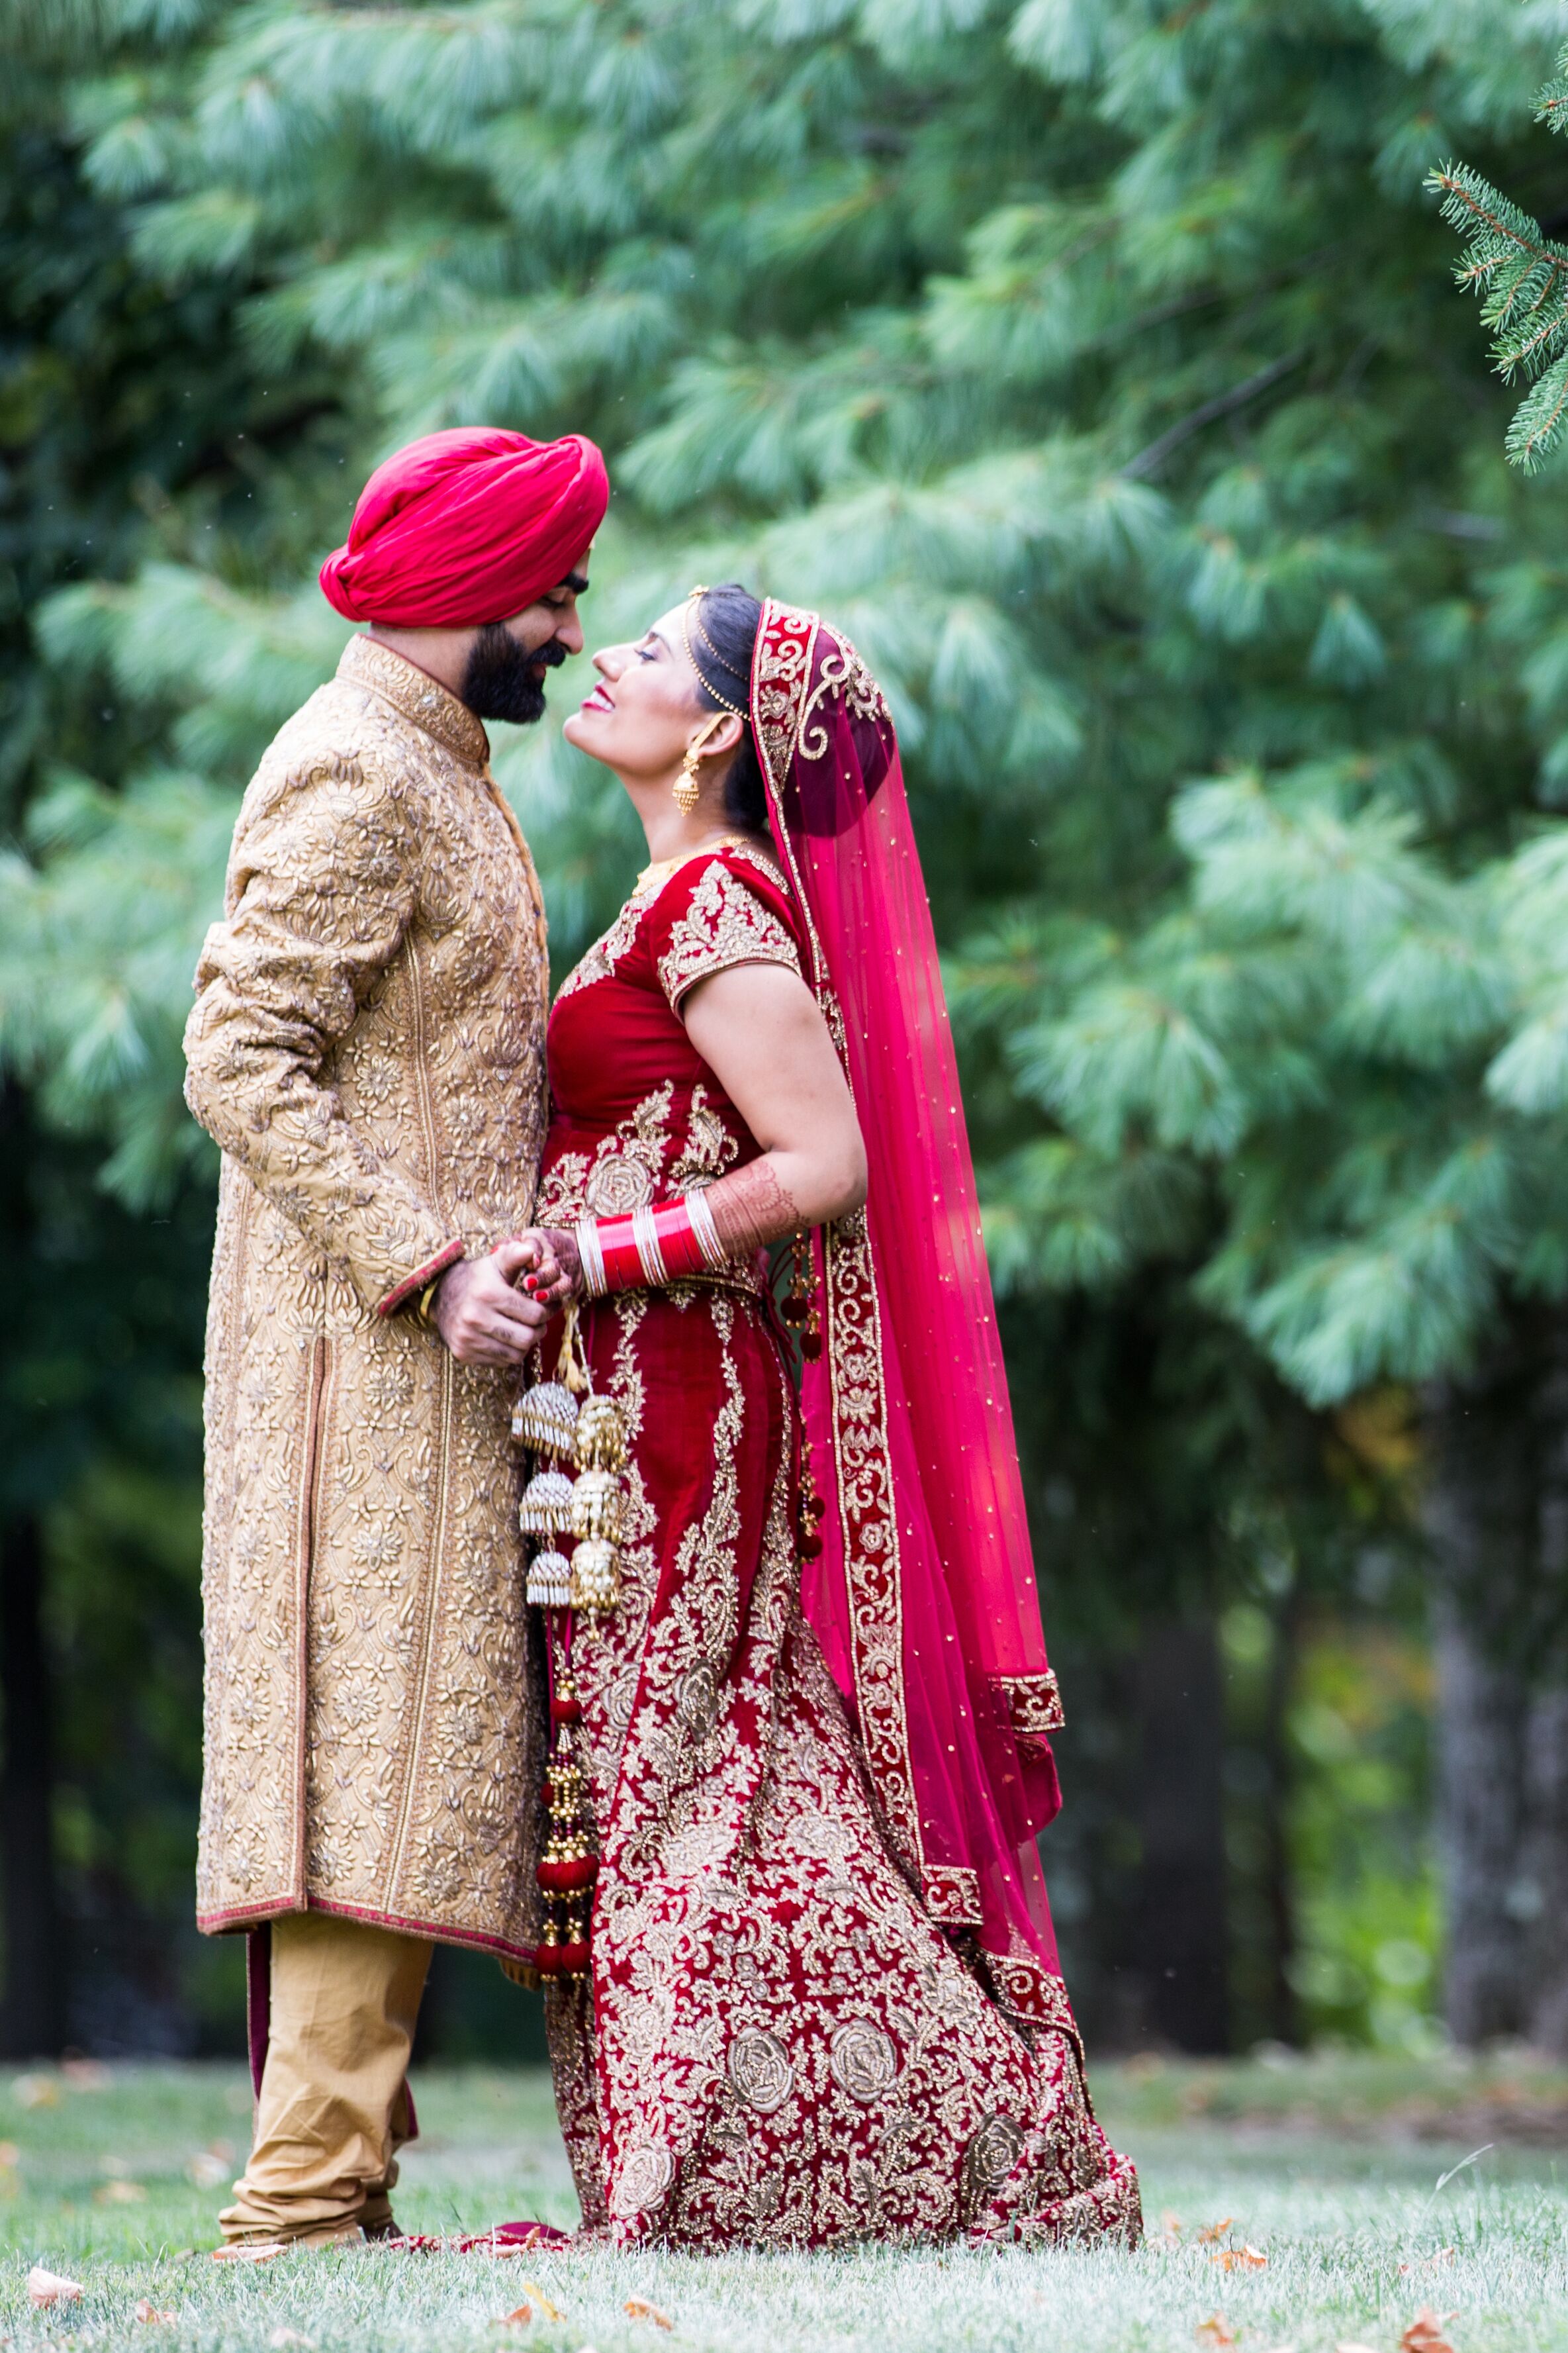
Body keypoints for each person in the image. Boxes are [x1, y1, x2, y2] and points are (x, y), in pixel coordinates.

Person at [513, 586, 1140, 2246]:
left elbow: (823, 1166)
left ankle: (892, 2141)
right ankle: (782, 2146)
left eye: (646, 653)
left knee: (691, 1766)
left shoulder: (718, 902)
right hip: (624, 1395)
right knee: (686, 1762)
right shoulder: (669, 890)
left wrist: (595, 1250)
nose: (606, 660)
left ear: (717, 728)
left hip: (682, 1406)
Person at [181, 425, 601, 2248]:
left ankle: (331, 2190)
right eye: (555, 590)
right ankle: (299, 2199)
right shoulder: (357, 769)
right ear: (461, 590)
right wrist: (428, 1264)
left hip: (428, 1340)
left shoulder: (434, 761)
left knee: (415, 1736)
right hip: (359, 1351)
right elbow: (237, 1059)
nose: (573, 629)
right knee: (370, 1737)